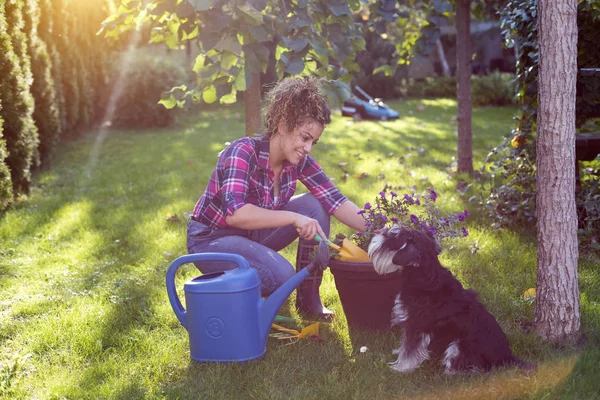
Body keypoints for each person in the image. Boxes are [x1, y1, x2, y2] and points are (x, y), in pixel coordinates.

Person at [186, 76, 367, 320]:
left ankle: (309, 299)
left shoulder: (298, 161)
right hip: (212, 239)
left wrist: (380, 227)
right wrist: (294, 217)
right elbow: (236, 214)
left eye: (314, 141)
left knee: (316, 206)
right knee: (281, 276)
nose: (308, 148)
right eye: (304, 137)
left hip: (249, 236)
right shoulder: (242, 152)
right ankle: (242, 296)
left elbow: (335, 200)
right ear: (282, 125)